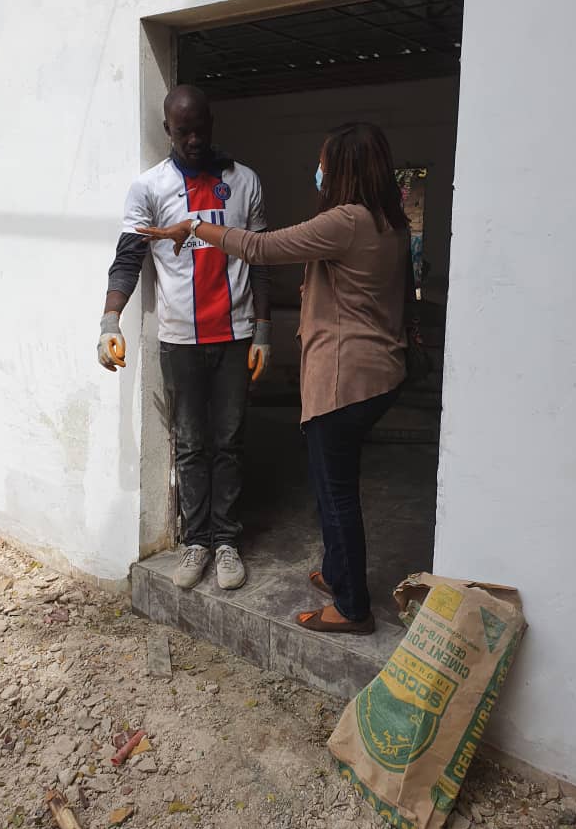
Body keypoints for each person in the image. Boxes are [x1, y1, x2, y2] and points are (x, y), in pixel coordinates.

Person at [137, 122, 408, 635]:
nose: (319, 170)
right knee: (333, 486)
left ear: (344, 169)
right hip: (380, 373)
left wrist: (196, 227)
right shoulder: (387, 221)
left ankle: (352, 606)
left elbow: (262, 248)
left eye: (325, 162)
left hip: (345, 380)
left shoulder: (346, 220)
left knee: (336, 493)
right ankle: (335, 573)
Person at [98, 85, 271, 592]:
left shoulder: (244, 182)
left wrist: (264, 329)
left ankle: (227, 542)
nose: (194, 139)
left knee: (229, 442)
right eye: (183, 130)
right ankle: (196, 540)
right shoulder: (148, 188)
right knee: (192, 444)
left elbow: (259, 258)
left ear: (212, 124)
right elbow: (128, 260)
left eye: (201, 128)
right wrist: (110, 321)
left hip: (236, 335)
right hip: (179, 339)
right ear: (168, 130)